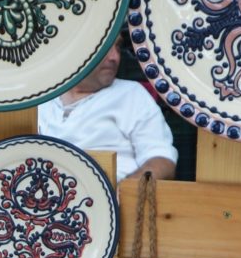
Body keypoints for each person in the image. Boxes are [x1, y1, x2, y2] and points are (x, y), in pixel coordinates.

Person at [37, 44, 176, 180]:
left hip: (112, 190)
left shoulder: (131, 94)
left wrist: (117, 192)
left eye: (118, 47)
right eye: (105, 47)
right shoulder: (40, 96)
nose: (114, 57)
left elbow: (162, 162)